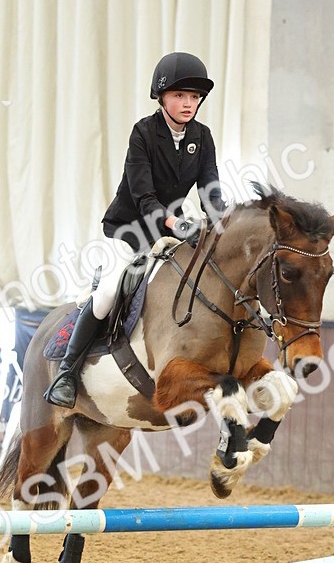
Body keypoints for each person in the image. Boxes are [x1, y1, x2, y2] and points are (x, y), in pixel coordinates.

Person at [44, 51, 226, 408]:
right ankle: (67, 372)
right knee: (110, 290)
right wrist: (177, 223)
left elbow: (210, 188)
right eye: (179, 95)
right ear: (161, 97)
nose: (188, 103)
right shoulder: (143, 132)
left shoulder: (201, 137)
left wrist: (221, 224)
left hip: (172, 233)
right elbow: (143, 196)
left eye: (193, 97)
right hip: (130, 229)